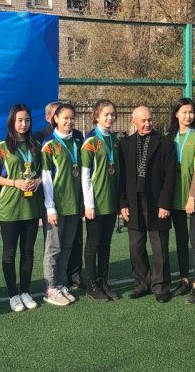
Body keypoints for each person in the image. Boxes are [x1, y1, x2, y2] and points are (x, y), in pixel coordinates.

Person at [0, 104, 44, 312]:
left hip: (31, 207)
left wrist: (37, 181)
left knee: (28, 251)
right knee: (9, 253)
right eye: (20, 120)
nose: (23, 124)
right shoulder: (2, 147)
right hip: (10, 207)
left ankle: (25, 291)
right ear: (12, 122)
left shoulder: (36, 145)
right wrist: (14, 183)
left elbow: (43, 173)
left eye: (27, 120)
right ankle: (13, 294)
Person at [119, 106, 176, 303]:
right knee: (135, 247)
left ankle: (160, 286)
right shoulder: (125, 144)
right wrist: (122, 203)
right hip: (133, 202)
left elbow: (170, 176)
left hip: (157, 201)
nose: (147, 124)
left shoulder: (165, 142)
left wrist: (165, 203)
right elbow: (122, 177)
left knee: (159, 247)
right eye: (143, 120)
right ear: (134, 121)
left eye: (150, 120)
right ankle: (141, 284)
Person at [35, 101, 85, 290]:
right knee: (53, 248)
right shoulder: (49, 144)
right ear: (55, 119)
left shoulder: (77, 141)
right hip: (56, 205)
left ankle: (62, 283)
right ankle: (50, 287)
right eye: (65, 118)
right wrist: (50, 207)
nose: (69, 121)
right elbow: (46, 178)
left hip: (74, 205)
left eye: (72, 118)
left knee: (67, 246)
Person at [167, 98, 195, 304]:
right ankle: (184, 280)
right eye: (183, 112)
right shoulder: (170, 137)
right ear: (176, 114)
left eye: (191, 112)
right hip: (175, 198)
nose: (188, 116)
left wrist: (192, 196)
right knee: (181, 239)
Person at [81, 99, 120, 301]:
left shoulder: (114, 139)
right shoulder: (90, 141)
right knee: (93, 243)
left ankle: (104, 281)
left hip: (110, 202)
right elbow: (85, 175)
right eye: (106, 114)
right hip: (96, 203)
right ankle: (92, 284)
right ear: (96, 116)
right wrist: (89, 204)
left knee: (106, 243)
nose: (110, 118)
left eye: (112, 114)